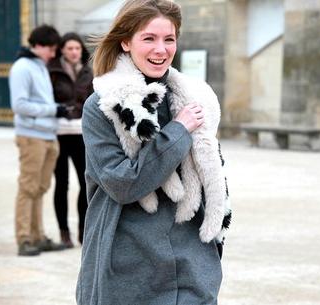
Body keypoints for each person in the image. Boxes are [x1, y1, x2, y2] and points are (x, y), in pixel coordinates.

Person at [76, 1, 231, 304]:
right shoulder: (102, 107)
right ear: (125, 41)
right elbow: (122, 183)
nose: (161, 49)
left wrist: (211, 252)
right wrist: (178, 132)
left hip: (191, 264)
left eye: (169, 39)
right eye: (149, 38)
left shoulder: (194, 98)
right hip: (127, 265)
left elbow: (214, 175)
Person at [9, 25, 70, 256]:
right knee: (28, 188)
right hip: (31, 136)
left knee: (40, 189)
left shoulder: (39, 66)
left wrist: (54, 111)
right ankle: (24, 239)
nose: (53, 54)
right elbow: (19, 105)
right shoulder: (22, 67)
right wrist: (53, 110)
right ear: (40, 45)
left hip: (47, 135)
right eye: (52, 49)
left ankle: (37, 236)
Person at [48, 32, 93, 248]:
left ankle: (84, 231)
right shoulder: (52, 71)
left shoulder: (88, 71)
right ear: (62, 50)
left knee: (85, 184)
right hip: (58, 133)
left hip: (81, 134)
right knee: (62, 184)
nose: (74, 52)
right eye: (69, 48)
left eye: (77, 48)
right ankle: (63, 232)